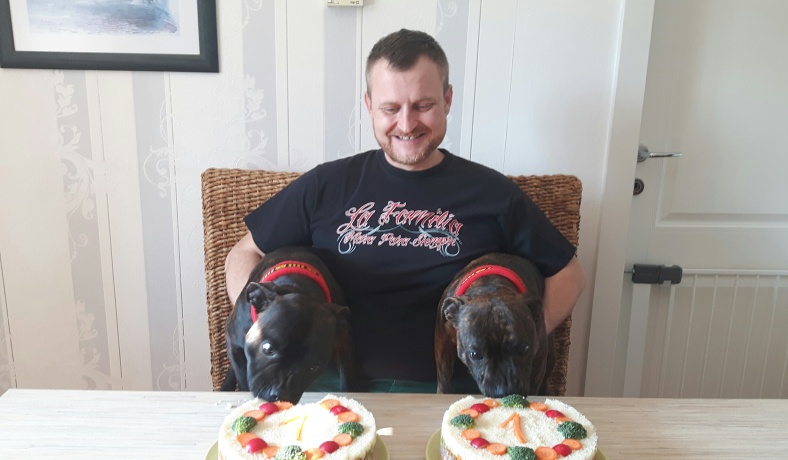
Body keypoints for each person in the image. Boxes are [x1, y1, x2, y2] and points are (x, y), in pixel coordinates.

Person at [225, 28, 586, 392]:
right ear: (369, 106)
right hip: (328, 386)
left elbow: (568, 274)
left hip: (455, 391)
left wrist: (527, 337)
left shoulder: (493, 194)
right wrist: (263, 324)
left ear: (447, 100)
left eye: (423, 106)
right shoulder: (325, 185)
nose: (407, 124)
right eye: (390, 108)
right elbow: (245, 253)